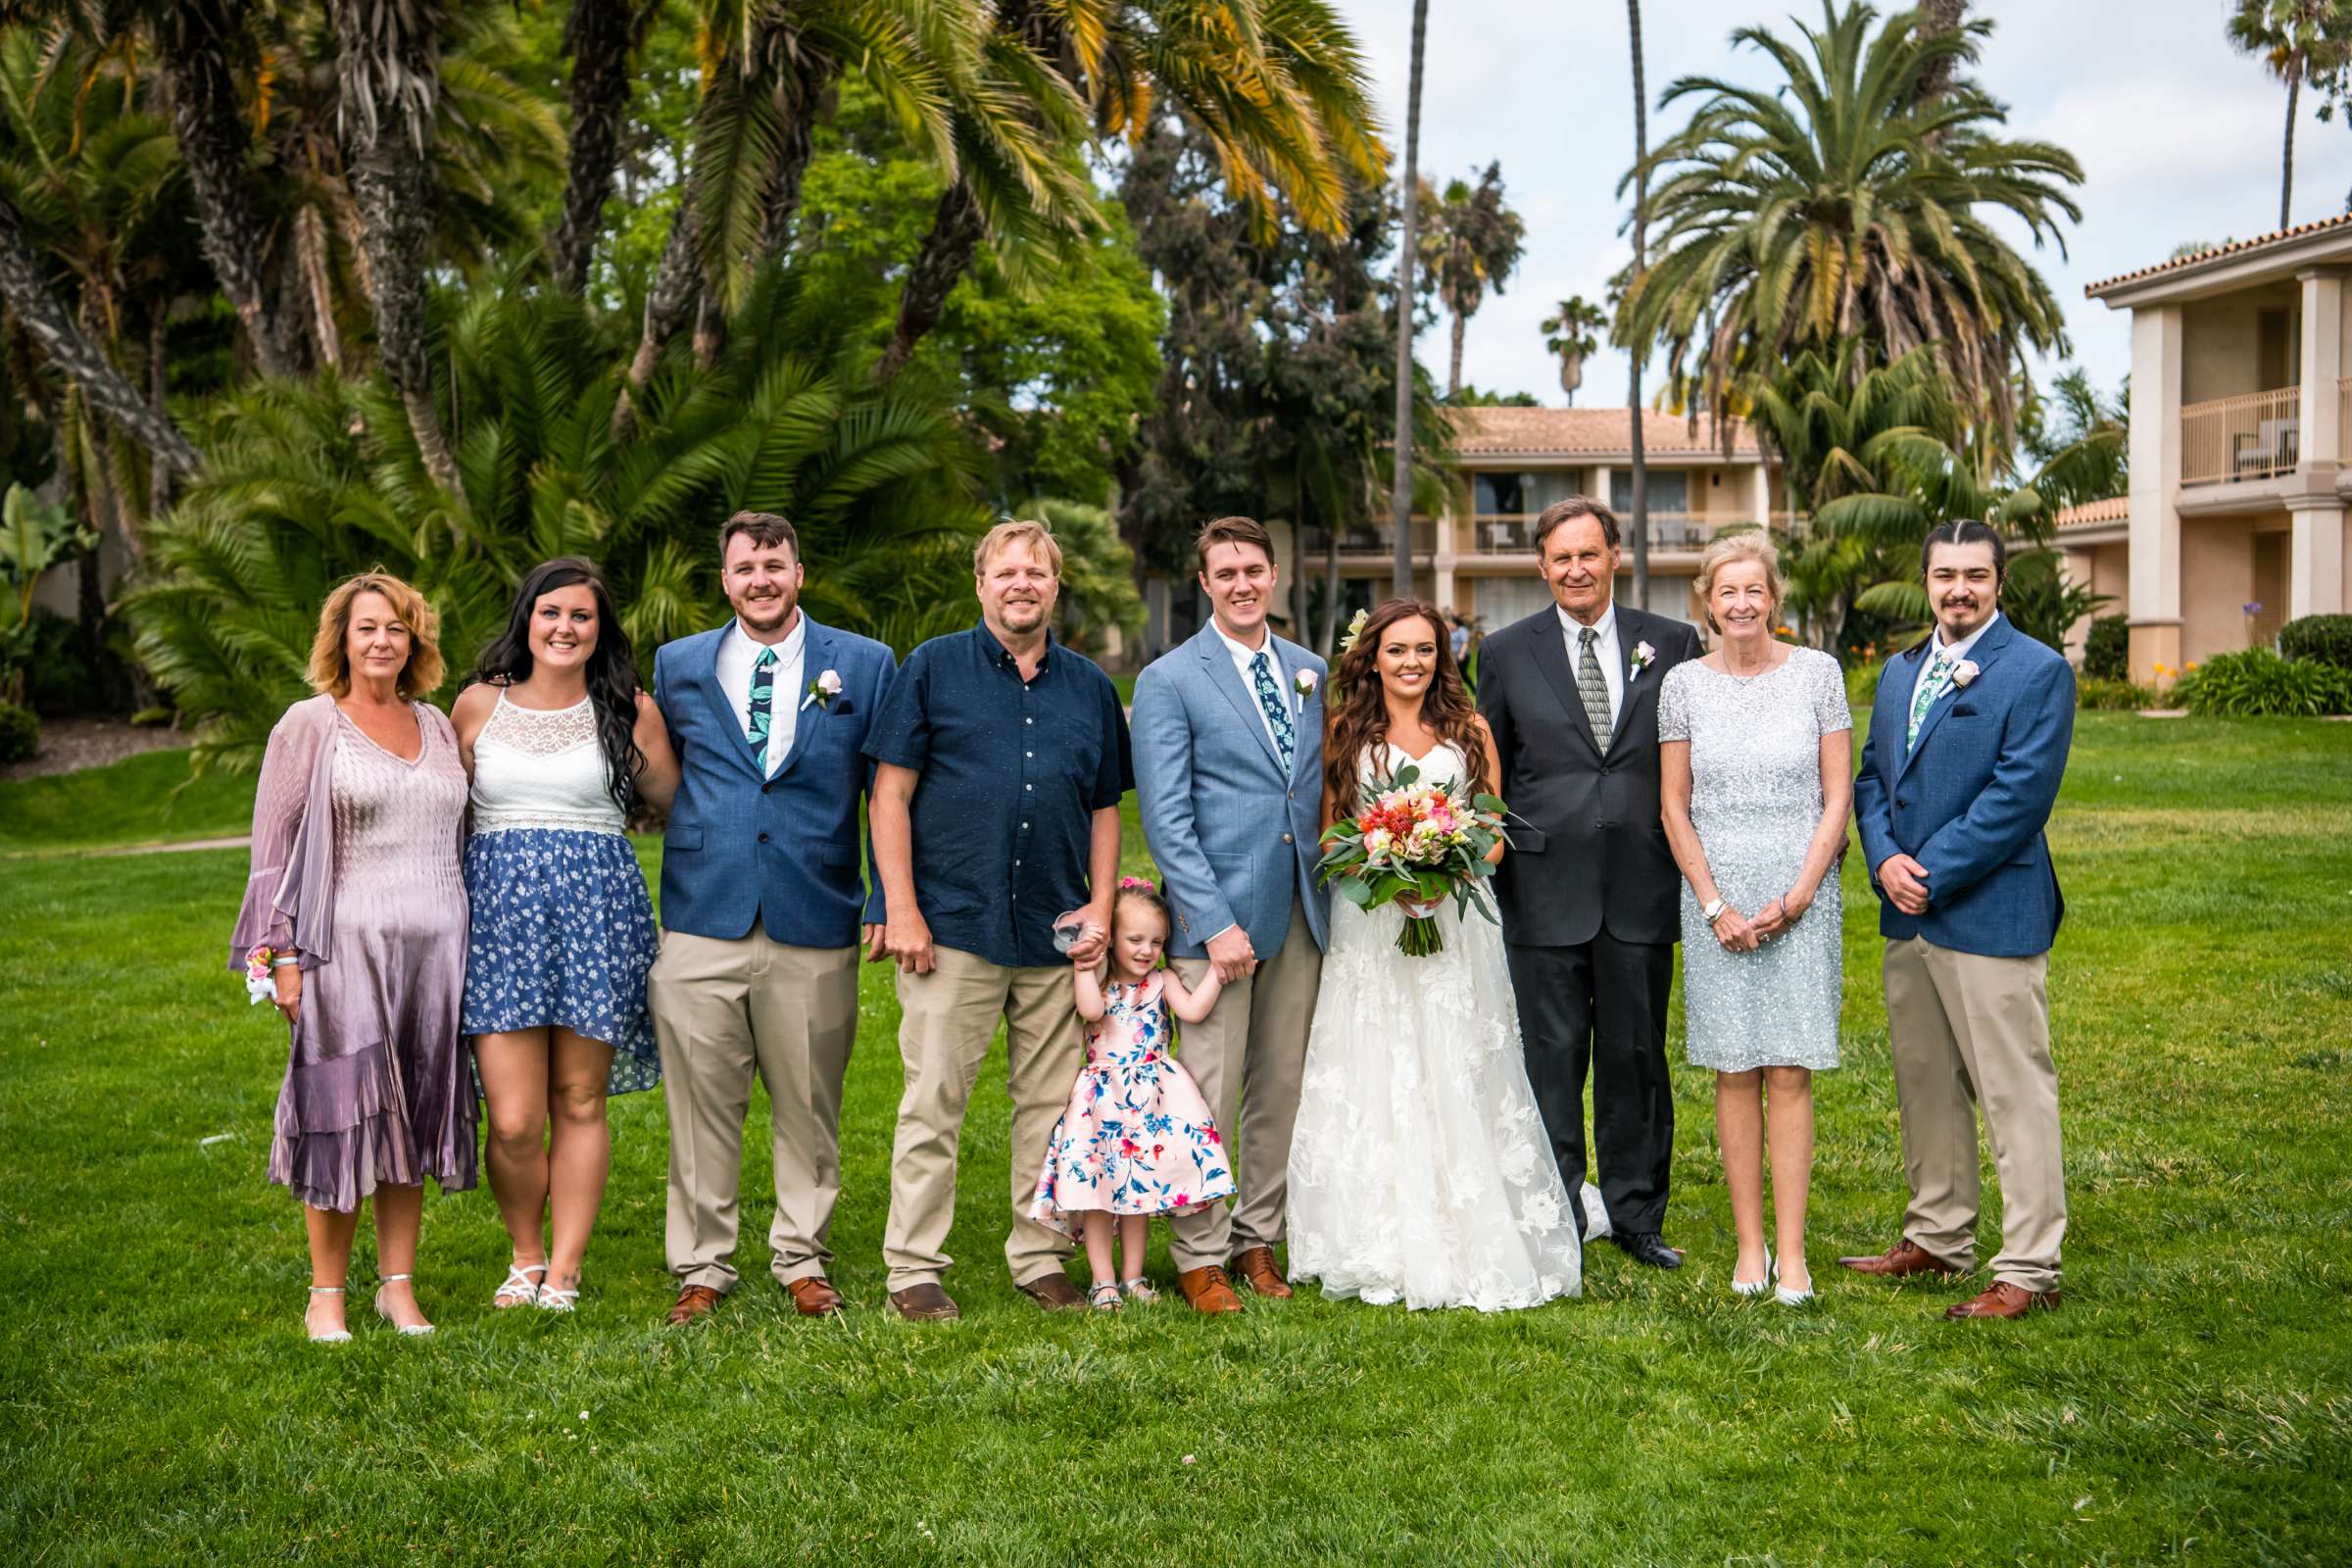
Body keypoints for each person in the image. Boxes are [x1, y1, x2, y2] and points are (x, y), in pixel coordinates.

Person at [867, 518, 1135, 1321]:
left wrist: (1100, 903)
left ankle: (1039, 1254)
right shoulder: (931, 670)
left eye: (1038, 573)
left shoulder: (1089, 686)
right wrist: (902, 909)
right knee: (932, 1103)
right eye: (1007, 572)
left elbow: (1104, 810)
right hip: (951, 925)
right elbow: (890, 795)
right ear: (981, 583)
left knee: (1051, 1107)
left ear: (1056, 588)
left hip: (1053, 932)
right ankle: (914, 1268)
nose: (1023, 584)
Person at [1287, 599, 1582, 1311]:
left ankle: (1467, 1218)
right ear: (1373, 659)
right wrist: (1385, 873)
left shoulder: (1470, 730)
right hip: (1373, 922)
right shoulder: (1345, 733)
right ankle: (1376, 1233)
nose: (1412, 662)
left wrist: (1442, 867)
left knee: (1460, 1060)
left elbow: (1494, 831)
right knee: (1378, 1061)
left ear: (1442, 657)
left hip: (1455, 921)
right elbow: (1330, 836)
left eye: (1425, 649)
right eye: (1397, 650)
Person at [647, 513, 898, 1325]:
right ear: (724, 579)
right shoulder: (679, 664)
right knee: (700, 1106)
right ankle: (702, 1266)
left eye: (775, 563)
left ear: (800, 572)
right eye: (745, 566)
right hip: (701, 914)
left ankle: (801, 1255)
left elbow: (886, 794)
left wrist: (887, 900)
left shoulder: (862, 663)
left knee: (809, 1105)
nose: (761, 578)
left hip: (814, 911)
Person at [231, 573, 473, 1343]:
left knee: (411, 1116)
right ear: (340, 639)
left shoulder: (437, 724)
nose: (381, 641)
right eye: (366, 627)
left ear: (416, 642)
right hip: (342, 953)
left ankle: (397, 1290)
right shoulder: (310, 724)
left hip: (437, 954)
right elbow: (271, 854)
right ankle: (326, 1295)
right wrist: (282, 960)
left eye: (397, 629)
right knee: (340, 1118)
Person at [1847, 519, 2075, 1321]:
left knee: (2015, 1093)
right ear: (1927, 581)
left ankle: (2030, 1267)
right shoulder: (1903, 671)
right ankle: (1938, 1235)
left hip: (1989, 911)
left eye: (1975, 575)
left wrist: (1929, 873)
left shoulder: (2038, 671)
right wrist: (1882, 861)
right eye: (1945, 575)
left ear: (2000, 582)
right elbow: (1872, 779)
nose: (1958, 589)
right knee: (1925, 1086)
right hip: (1904, 913)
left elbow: (2019, 796)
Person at [1476, 497, 1704, 1269]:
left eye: (1588, 554)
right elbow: (1489, 771)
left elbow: (1694, 759)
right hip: (1543, 886)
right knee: (1551, 1055)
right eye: (1559, 558)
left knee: (1635, 1054)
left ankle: (1639, 1214)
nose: (1575, 569)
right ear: (1542, 567)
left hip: (1642, 879)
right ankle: (1558, 1210)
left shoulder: (1672, 643)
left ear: (1615, 556)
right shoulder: (1506, 652)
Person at [452, 558, 679, 1314]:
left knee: (580, 1099)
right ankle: (525, 1254)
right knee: (514, 1118)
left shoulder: (629, 709)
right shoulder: (478, 706)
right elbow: (441, 815)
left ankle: (567, 1269)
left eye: (581, 616)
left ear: (600, 630)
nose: (565, 628)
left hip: (598, 920)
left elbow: (680, 803)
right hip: (500, 926)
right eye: (551, 613)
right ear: (527, 620)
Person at [1129, 515, 1328, 1314]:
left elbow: (1311, 791)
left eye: (1254, 569)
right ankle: (1199, 1254)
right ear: (1204, 584)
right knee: (1207, 1095)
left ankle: (1256, 1240)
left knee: (1281, 1087)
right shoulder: (1169, 679)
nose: (1242, 583)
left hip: (1304, 912)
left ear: (1273, 575)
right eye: (1226, 572)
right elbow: (1165, 816)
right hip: (1217, 927)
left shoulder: (1311, 669)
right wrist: (1213, 924)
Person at [1657, 532, 1851, 1306]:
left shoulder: (1818, 674)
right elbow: (1674, 804)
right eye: (1726, 592)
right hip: (1716, 899)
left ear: (1774, 598)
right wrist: (1714, 905)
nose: (1741, 604)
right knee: (1734, 1069)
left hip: (1800, 892)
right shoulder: (1682, 685)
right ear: (1708, 603)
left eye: (1754, 590)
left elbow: (1837, 795)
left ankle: (1794, 1253)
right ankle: (1748, 1245)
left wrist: (1801, 893)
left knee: (1790, 1069)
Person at [1029, 878, 1237, 1311]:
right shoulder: (1097, 982)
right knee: (1099, 1195)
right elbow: (1090, 1012)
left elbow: (1193, 1010)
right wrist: (1084, 964)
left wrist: (1216, 976)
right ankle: (1103, 1281)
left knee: (1139, 1193)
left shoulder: (1162, 980)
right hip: (1102, 1102)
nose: (1146, 950)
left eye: (1156, 941)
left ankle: (1133, 1278)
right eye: (1135, 939)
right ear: (1111, 940)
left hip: (1152, 1101)